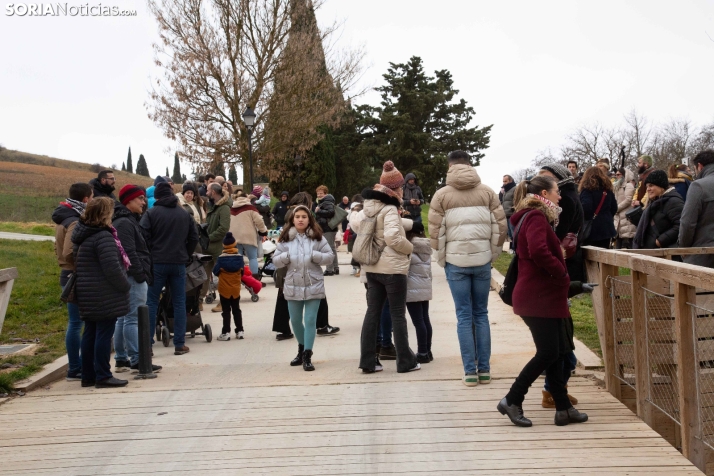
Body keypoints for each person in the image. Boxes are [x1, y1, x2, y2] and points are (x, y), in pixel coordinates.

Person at [497, 175, 588, 427]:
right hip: (538, 298)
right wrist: (561, 273)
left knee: (558, 353)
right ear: (545, 194)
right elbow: (538, 250)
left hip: (543, 297)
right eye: (557, 191)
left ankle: (563, 408)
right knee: (548, 353)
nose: (560, 196)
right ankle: (512, 399)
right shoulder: (536, 217)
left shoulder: (533, 216)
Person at [428, 150, 507, 386]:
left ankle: (469, 372)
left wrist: (442, 259)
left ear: (449, 167)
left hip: (456, 262)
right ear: (470, 165)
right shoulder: (487, 192)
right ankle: (484, 370)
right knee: (481, 314)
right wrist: (492, 255)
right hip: (482, 261)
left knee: (464, 316)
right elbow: (500, 227)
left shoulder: (441, 195)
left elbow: (435, 232)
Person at [355, 161, 419, 374]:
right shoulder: (390, 207)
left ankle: (368, 361)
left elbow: (358, 224)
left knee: (372, 312)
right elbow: (392, 235)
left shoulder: (369, 206)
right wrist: (409, 248)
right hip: (392, 269)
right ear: (396, 188)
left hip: (373, 268)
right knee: (398, 315)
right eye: (400, 186)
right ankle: (405, 362)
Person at [71, 197, 131, 388]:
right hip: (103, 292)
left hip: (87, 291)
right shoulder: (103, 236)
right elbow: (112, 268)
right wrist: (125, 285)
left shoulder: (83, 235)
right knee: (104, 334)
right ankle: (103, 375)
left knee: (90, 332)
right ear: (104, 214)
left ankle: (88, 375)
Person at [140, 181, 199, 355]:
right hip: (178, 262)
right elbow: (194, 237)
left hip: (157, 262)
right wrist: (186, 255)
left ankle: (148, 345)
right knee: (179, 302)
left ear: (156, 196)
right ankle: (179, 343)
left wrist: (150, 254)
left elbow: (143, 237)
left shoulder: (151, 213)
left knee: (151, 302)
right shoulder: (183, 214)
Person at [273, 205, 334, 371]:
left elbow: (330, 257)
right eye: (297, 216)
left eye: (304, 217)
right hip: (293, 284)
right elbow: (275, 260)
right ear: (293, 219)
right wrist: (285, 257)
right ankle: (301, 348)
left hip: (313, 283)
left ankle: (307, 354)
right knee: (295, 320)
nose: (300, 219)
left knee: (310, 320)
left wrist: (315, 256)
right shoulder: (286, 238)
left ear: (309, 219)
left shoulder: (317, 238)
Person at [112, 185, 161, 374]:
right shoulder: (125, 222)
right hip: (133, 276)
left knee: (123, 318)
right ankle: (138, 359)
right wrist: (140, 274)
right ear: (129, 200)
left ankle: (122, 358)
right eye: (140, 198)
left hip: (130, 275)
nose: (143, 202)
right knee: (132, 318)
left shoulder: (126, 220)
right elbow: (129, 252)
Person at [52, 182, 93, 381]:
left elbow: (58, 249)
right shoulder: (75, 221)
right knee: (77, 323)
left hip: (65, 273)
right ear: (86, 199)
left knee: (75, 322)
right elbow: (69, 251)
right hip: (74, 274)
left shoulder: (63, 217)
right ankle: (75, 367)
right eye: (92, 197)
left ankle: (76, 366)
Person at [537, 164, 584, 280]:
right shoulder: (569, 194)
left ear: (559, 178)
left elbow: (560, 230)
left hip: (564, 254)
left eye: (547, 179)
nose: (544, 182)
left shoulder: (565, 199)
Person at [633, 170, 684, 250]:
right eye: (647, 186)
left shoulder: (674, 202)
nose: (648, 189)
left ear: (661, 186)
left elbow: (681, 225)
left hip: (666, 253)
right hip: (652, 251)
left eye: (651, 185)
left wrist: (660, 241)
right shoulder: (655, 202)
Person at [680, 150, 714, 268]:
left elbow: (687, 223)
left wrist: (684, 248)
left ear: (699, 166)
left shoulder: (698, 186)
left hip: (704, 257)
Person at [405, 221, 433, 364]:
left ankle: (422, 352)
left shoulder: (408, 247)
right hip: (425, 286)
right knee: (425, 319)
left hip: (412, 288)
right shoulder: (426, 246)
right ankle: (427, 350)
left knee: (418, 322)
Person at [213, 232, 245, 341]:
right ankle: (240, 330)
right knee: (237, 309)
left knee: (226, 311)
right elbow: (242, 273)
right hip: (236, 289)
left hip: (224, 288)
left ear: (224, 245)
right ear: (234, 244)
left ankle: (226, 332)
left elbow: (215, 271)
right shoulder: (239, 258)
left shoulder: (221, 258)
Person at [203, 183, 231, 311]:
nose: (206, 192)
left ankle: (223, 303)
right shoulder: (211, 206)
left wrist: (209, 237)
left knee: (222, 277)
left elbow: (223, 228)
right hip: (208, 247)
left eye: (208, 190)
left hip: (218, 247)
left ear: (213, 192)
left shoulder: (224, 207)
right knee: (203, 275)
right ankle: (198, 301)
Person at [229, 190, 268, 275]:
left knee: (237, 258)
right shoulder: (251, 208)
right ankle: (254, 277)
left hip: (234, 236)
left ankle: (239, 277)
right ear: (246, 198)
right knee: (252, 258)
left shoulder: (232, 208)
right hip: (248, 236)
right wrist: (263, 231)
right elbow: (259, 221)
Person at [578, 166, 618, 249]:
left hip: (592, 229)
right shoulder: (607, 190)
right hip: (607, 228)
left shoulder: (587, 190)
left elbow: (586, 207)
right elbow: (614, 208)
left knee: (589, 256)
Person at [313, 185, 339, 276]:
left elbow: (330, 213)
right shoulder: (324, 201)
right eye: (318, 193)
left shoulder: (327, 201)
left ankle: (330, 269)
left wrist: (318, 211)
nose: (319, 195)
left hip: (327, 227)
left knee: (329, 248)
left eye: (321, 193)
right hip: (328, 227)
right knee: (332, 248)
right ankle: (335, 268)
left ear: (325, 193)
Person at [613, 168, 637, 250]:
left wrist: (616, 208)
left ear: (624, 175)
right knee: (619, 242)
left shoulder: (628, 185)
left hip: (626, 217)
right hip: (619, 218)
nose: (617, 176)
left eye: (618, 174)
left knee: (629, 240)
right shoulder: (617, 186)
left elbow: (628, 200)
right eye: (616, 174)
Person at [500, 175, 517, 251]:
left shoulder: (515, 189)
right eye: (503, 181)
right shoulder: (504, 191)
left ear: (510, 181)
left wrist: (514, 211)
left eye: (505, 181)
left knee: (514, 233)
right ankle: (513, 248)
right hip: (506, 215)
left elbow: (516, 201)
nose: (504, 183)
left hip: (512, 215)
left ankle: (516, 249)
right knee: (510, 234)